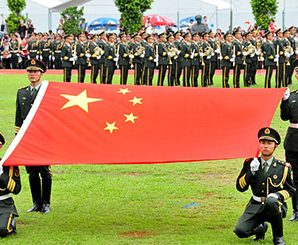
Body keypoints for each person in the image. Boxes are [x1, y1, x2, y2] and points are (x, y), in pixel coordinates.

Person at [234, 127, 295, 245]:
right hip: (255, 204)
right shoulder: (250, 163)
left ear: (275, 146)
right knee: (240, 231)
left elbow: (291, 189)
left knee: (271, 202)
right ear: (259, 145)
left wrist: (278, 196)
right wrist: (251, 172)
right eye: (262, 143)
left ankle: (278, 238)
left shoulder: (283, 167)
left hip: (274, 206)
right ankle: (260, 228)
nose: (265, 146)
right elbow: (240, 188)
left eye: (269, 143)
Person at [15, 59, 52, 214]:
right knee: (31, 170)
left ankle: (46, 203)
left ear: (41, 73)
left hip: (43, 136)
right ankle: (36, 202)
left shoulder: (47, 92)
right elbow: (18, 117)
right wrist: (18, 137)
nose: (32, 74)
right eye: (30, 71)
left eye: (35, 71)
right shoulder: (21, 92)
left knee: (45, 171)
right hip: (28, 137)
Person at [280, 87, 298, 221]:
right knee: (295, 178)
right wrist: (285, 100)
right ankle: (296, 210)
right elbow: (284, 117)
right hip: (293, 142)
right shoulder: (292, 96)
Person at [0, 133, 21, 237]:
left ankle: (10, 221)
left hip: (4, 204)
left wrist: (1, 175)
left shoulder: (9, 166)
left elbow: (17, 189)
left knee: (3, 230)